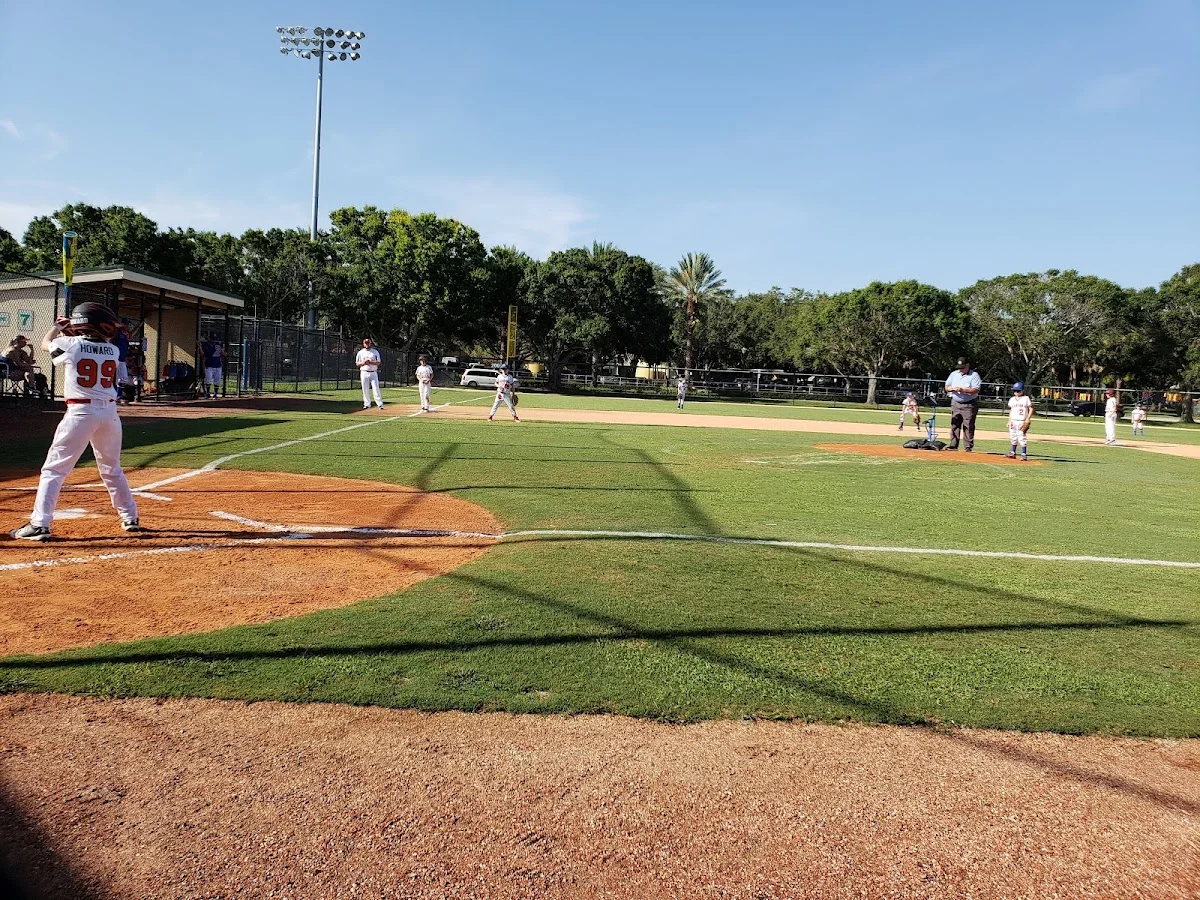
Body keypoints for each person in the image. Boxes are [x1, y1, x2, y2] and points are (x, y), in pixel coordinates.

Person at [11, 303, 140, 541]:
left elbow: (46, 345)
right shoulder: (111, 349)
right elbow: (85, 347)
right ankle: (130, 516)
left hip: (80, 413)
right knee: (112, 468)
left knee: (53, 469)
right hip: (110, 415)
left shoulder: (69, 344)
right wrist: (69, 331)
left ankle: (40, 524)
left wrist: (57, 327)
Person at [944, 357, 982, 452]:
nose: (960, 369)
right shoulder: (954, 374)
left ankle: (968, 446)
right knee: (955, 424)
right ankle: (953, 445)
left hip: (969, 404)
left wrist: (963, 390)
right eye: (959, 367)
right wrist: (951, 389)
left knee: (968, 425)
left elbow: (976, 389)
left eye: (963, 367)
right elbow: (946, 386)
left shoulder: (974, 375)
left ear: (968, 366)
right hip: (955, 403)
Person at [1006, 382, 1033, 460]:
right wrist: (1009, 421)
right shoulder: (1012, 399)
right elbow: (1011, 411)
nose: (1016, 393)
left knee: (1021, 437)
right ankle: (1012, 452)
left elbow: (1031, 409)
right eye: (1015, 391)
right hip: (1013, 421)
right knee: (1013, 437)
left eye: (1018, 391)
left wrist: (1028, 418)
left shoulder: (1026, 398)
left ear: (1022, 391)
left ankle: (1023, 454)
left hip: (1022, 421)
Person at [356, 337, 384, 410]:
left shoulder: (375, 352)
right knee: (365, 389)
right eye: (365, 343)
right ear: (363, 344)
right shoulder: (360, 352)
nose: (367, 344)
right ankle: (367, 404)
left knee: (375, 388)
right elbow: (357, 363)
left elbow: (378, 362)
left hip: (373, 372)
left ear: (370, 343)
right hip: (364, 372)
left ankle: (379, 404)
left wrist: (371, 362)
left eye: (368, 343)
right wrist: (364, 363)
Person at [199, 332, 225, 400]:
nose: (214, 341)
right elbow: (202, 355)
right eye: (212, 339)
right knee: (208, 380)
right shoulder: (205, 345)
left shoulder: (219, 344)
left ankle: (215, 394)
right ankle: (208, 393)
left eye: (215, 339)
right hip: (209, 364)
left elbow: (223, 354)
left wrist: (223, 352)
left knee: (217, 380)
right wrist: (200, 347)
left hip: (218, 364)